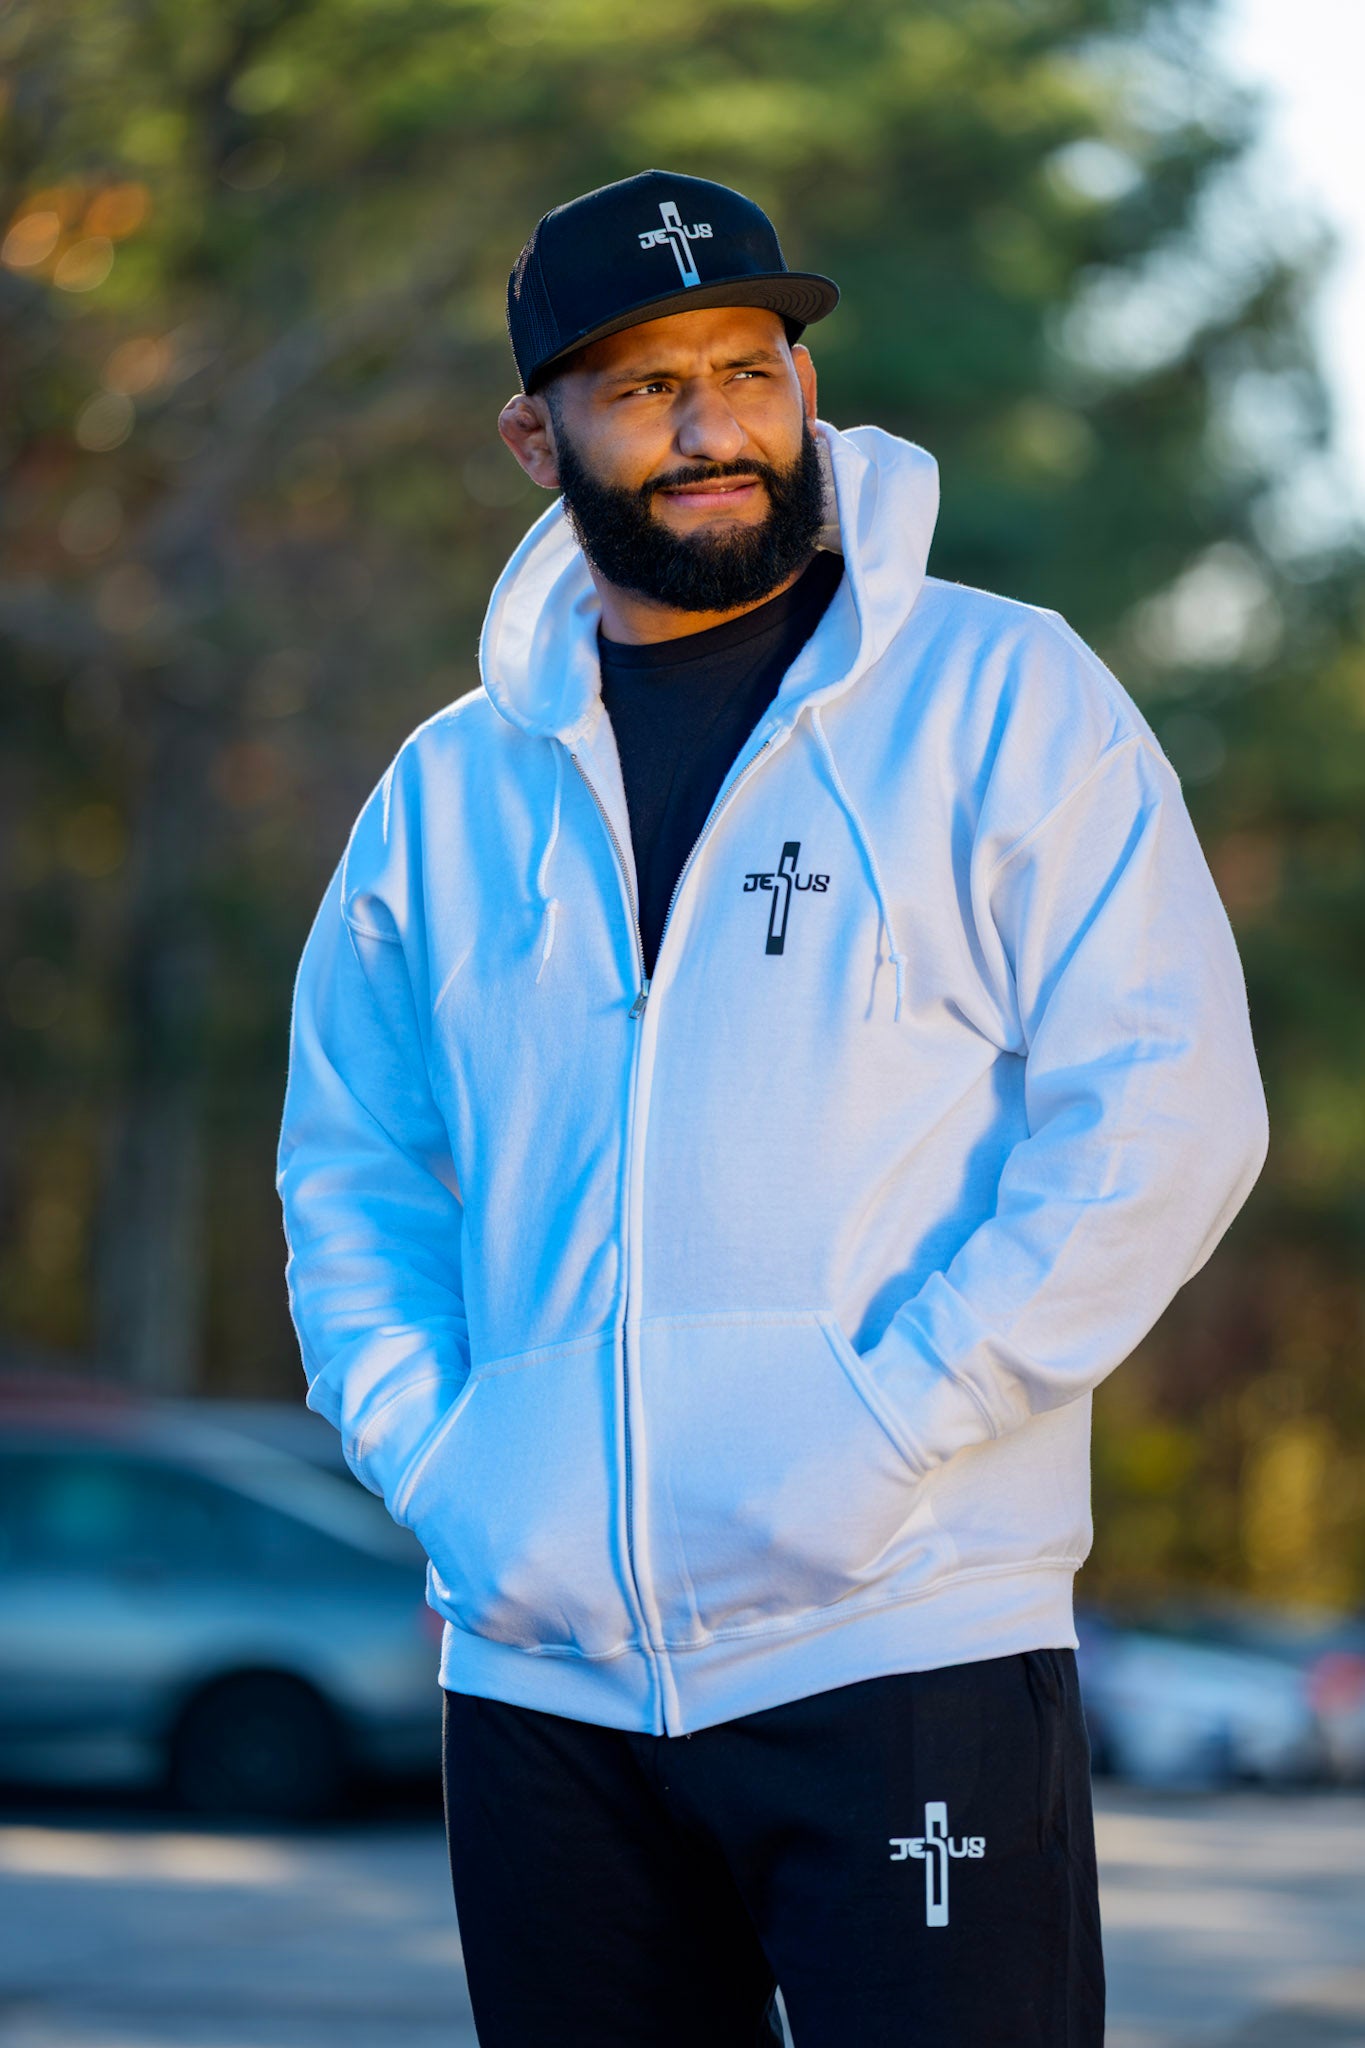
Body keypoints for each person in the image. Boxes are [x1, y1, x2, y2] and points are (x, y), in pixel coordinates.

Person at [276, 169, 1268, 2045]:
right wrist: (442, 1463)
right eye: (644, 388)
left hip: (904, 1640)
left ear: (805, 387)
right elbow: (355, 1172)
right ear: (532, 433)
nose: (711, 427)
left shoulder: (999, 696)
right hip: (543, 1689)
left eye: (746, 367)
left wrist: (897, 1420)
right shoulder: (444, 793)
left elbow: (1166, 1110)